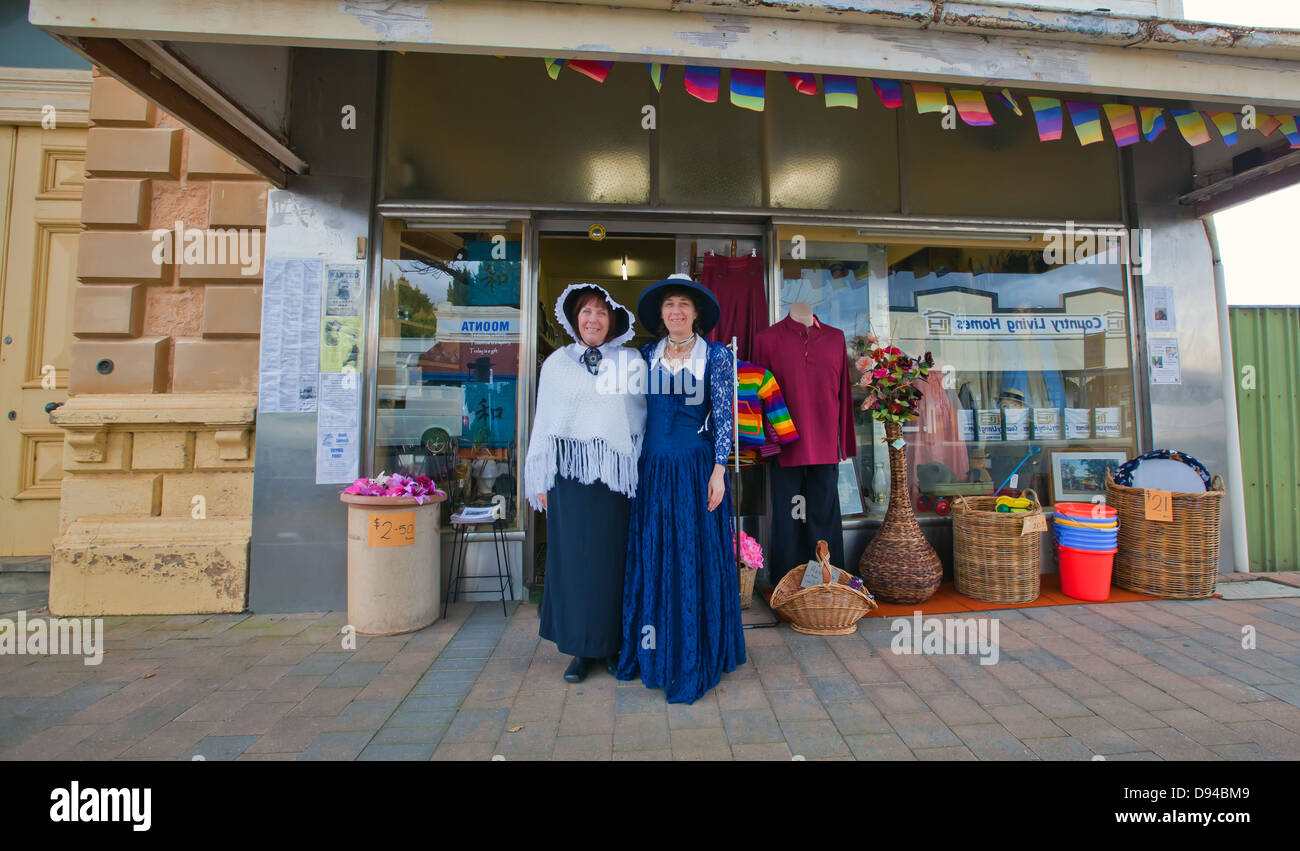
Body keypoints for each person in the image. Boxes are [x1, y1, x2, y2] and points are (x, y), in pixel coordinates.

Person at [617, 273, 747, 704]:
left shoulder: (715, 357)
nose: (676, 312)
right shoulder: (643, 355)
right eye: (669, 305)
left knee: (693, 554)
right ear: (661, 314)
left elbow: (726, 419)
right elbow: (628, 412)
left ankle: (695, 651)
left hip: (695, 468)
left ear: (695, 314)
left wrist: (719, 470)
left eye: (683, 306)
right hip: (652, 467)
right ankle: (655, 650)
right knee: (656, 553)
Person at [525, 284, 646, 683]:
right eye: (586, 312)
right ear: (575, 318)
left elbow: (640, 422)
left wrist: (639, 471)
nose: (593, 319)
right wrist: (540, 477)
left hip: (613, 484)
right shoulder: (557, 364)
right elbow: (544, 425)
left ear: (613, 321)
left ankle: (611, 646)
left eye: (601, 312)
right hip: (570, 481)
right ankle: (579, 649)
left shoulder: (630, 362)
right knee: (573, 564)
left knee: (613, 565)